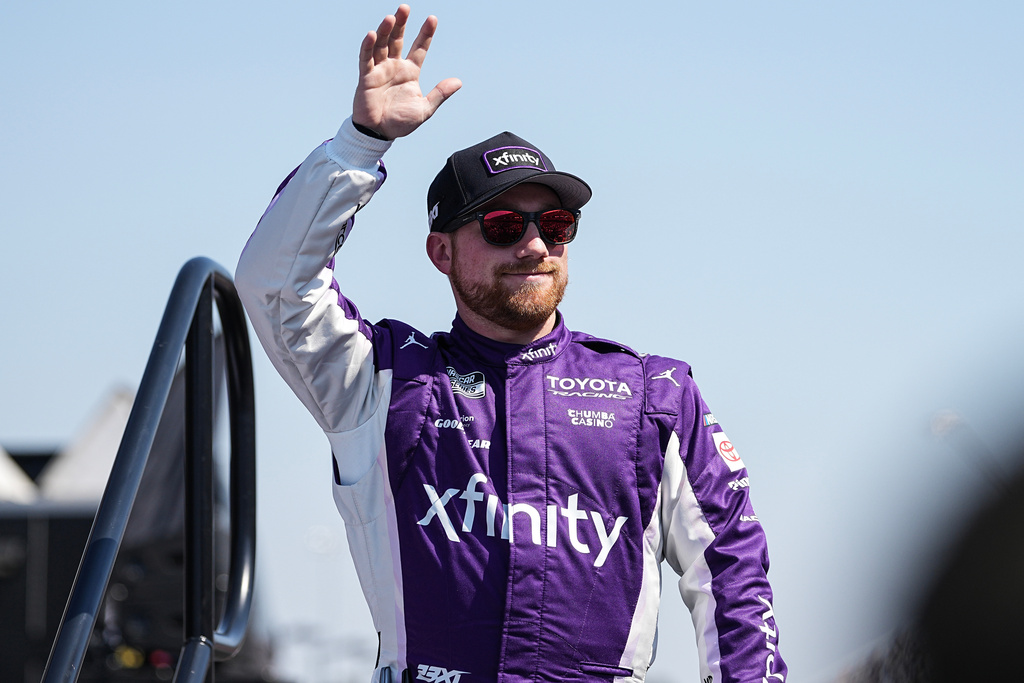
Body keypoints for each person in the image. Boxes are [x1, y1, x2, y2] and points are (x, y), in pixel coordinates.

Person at [236, 6, 786, 682]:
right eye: (501, 224)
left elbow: (733, 566)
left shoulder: (655, 397)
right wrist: (359, 143)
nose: (533, 245)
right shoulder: (383, 381)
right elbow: (273, 285)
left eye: (554, 224)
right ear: (441, 251)